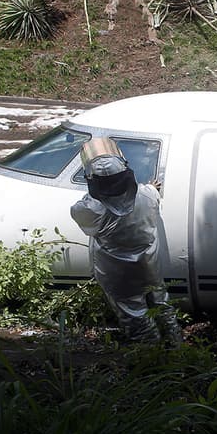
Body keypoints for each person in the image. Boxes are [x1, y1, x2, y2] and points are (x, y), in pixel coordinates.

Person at [70, 139, 182, 345]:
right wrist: (149, 186)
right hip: (148, 264)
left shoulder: (91, 209)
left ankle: (151, 359)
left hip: (117, 273)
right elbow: (152, 191)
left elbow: (78, 210)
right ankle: (177, 349)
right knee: (162, 304)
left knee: (134, 314)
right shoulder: (146, 196)